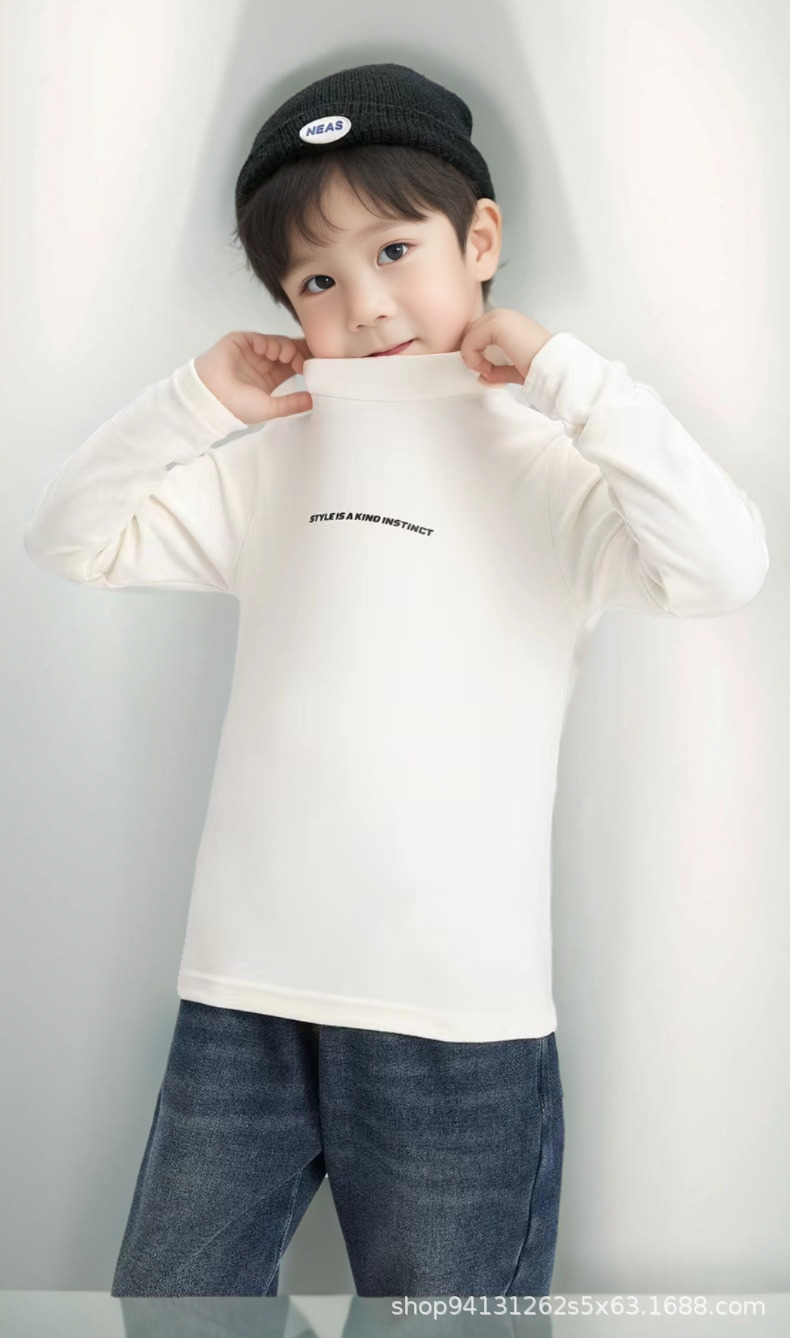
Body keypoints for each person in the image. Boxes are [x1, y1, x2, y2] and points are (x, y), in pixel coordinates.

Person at [23, 63, 769, 1302]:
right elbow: (69, 538)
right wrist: (195, 400)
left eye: (394, 250)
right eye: (317, 282)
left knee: (445, 1325)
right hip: (244, 995)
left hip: (457, 1017)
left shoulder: (552, 462)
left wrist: (570, 379)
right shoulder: (280, 452)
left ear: (479, 240)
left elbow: (723, 568)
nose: (366, 304)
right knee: (169, 1305)